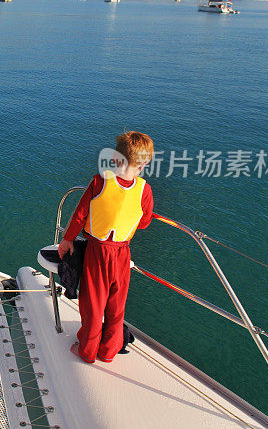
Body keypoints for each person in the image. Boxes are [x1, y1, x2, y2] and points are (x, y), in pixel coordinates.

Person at [58, 131, 154, 363]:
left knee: (92, 303)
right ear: (142, 166)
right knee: (116, 305)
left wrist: (67, 239)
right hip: (122, 252)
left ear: (115, 160)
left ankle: (87, 351)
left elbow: (81, 215)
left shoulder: (99, 182)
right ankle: (109, 351)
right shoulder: (144, 190)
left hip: (97, 251)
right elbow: (144, 222)